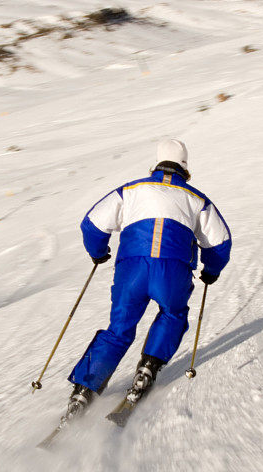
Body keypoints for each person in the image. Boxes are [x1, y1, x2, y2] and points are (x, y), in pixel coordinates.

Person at [66, 138, 231, 415]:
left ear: (155, 164)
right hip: (173, 271)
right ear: (185, 168)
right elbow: (220, 243)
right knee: (173, 314)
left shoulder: (130, 190)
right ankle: (148, 369)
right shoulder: (197, 199)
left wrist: (98, 252)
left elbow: (92, 224)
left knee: (118, 330)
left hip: (132, 270)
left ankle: (83, 392)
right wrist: (210, 270)